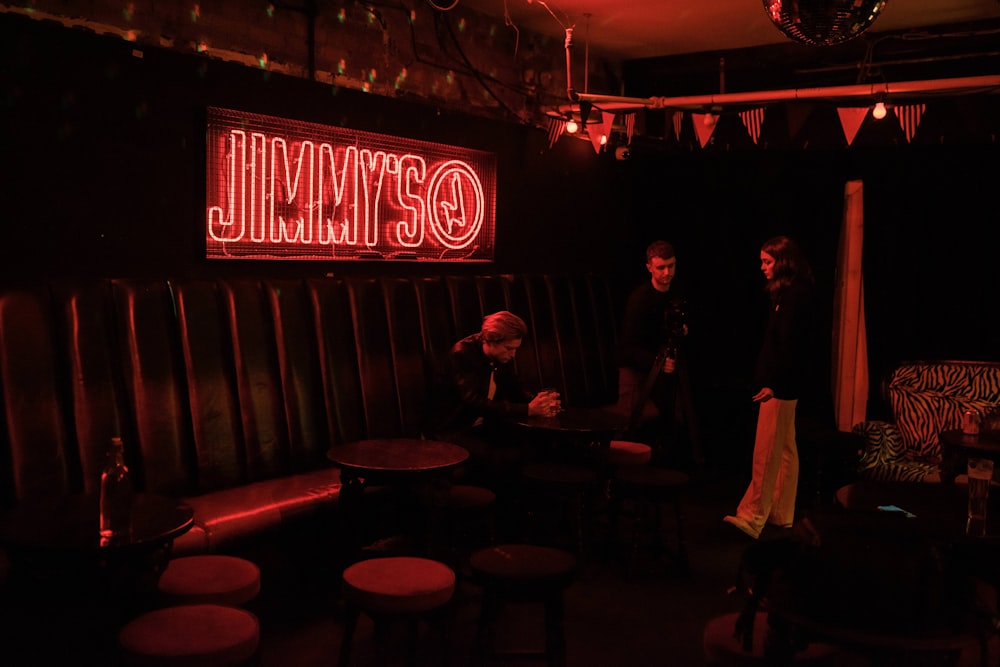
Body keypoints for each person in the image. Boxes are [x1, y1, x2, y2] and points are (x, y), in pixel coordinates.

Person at [725, 235, 815, 540]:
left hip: (781, 385)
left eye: (767, 261)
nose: (762, 267)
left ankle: (754, 516)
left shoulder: (793, 296)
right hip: (785, 384)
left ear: (783, 261)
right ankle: (781, 513)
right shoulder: (791, 293)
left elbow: (789, 346)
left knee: (766, 451)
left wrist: (773, 384)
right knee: (786, 449)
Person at [424, 310, 561, 491]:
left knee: (536, 441)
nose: (513, 354)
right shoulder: (463, 354)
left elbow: (514, 386)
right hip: (451, 429)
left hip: (479, 424)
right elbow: (472, 400)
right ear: (490, 340)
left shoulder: (498, 356)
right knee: (497, 457)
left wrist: (539, 402)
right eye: (509, 348)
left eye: (515, 349)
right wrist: (527, 410)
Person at [616, 240, 697, 463]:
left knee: (675, 419)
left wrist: (683, 331)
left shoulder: (678, 292)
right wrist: (657, 363)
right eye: (661, 267)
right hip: (637, 367)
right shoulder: (640, 299)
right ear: (649, 267)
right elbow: (629, 345)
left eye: (671, 266)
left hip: (665, 365)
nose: (667, 272)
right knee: (633, 420)